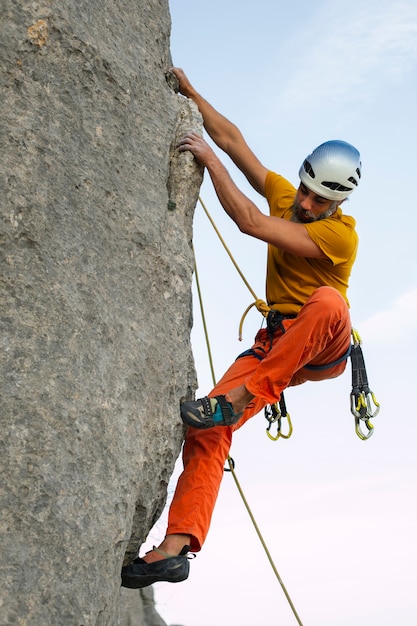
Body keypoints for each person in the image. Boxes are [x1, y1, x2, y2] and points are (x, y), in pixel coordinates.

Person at [121, 67, 362, 588]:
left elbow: (250, 223)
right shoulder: (287, 196)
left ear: (339, 203)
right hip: (275, 343)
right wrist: (191, 93)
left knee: (327, 301)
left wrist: (206, 158)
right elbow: (233, 141)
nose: (305, 204)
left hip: (322, 345)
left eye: (321, 201)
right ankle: (173, 548)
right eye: (305, 191)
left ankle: (244, 395)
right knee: (208, 426)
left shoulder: (342, 237)